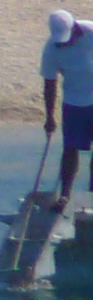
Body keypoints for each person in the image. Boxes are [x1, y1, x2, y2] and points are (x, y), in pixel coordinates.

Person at [44, 10, 93, 196]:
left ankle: (91, 195)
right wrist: (49, 117)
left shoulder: (90, 31)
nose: (64, 43)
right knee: (70, 150)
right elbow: (50, 84)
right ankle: (65, 195)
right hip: (73, 103)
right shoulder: (51, 49)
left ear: (75, 29)